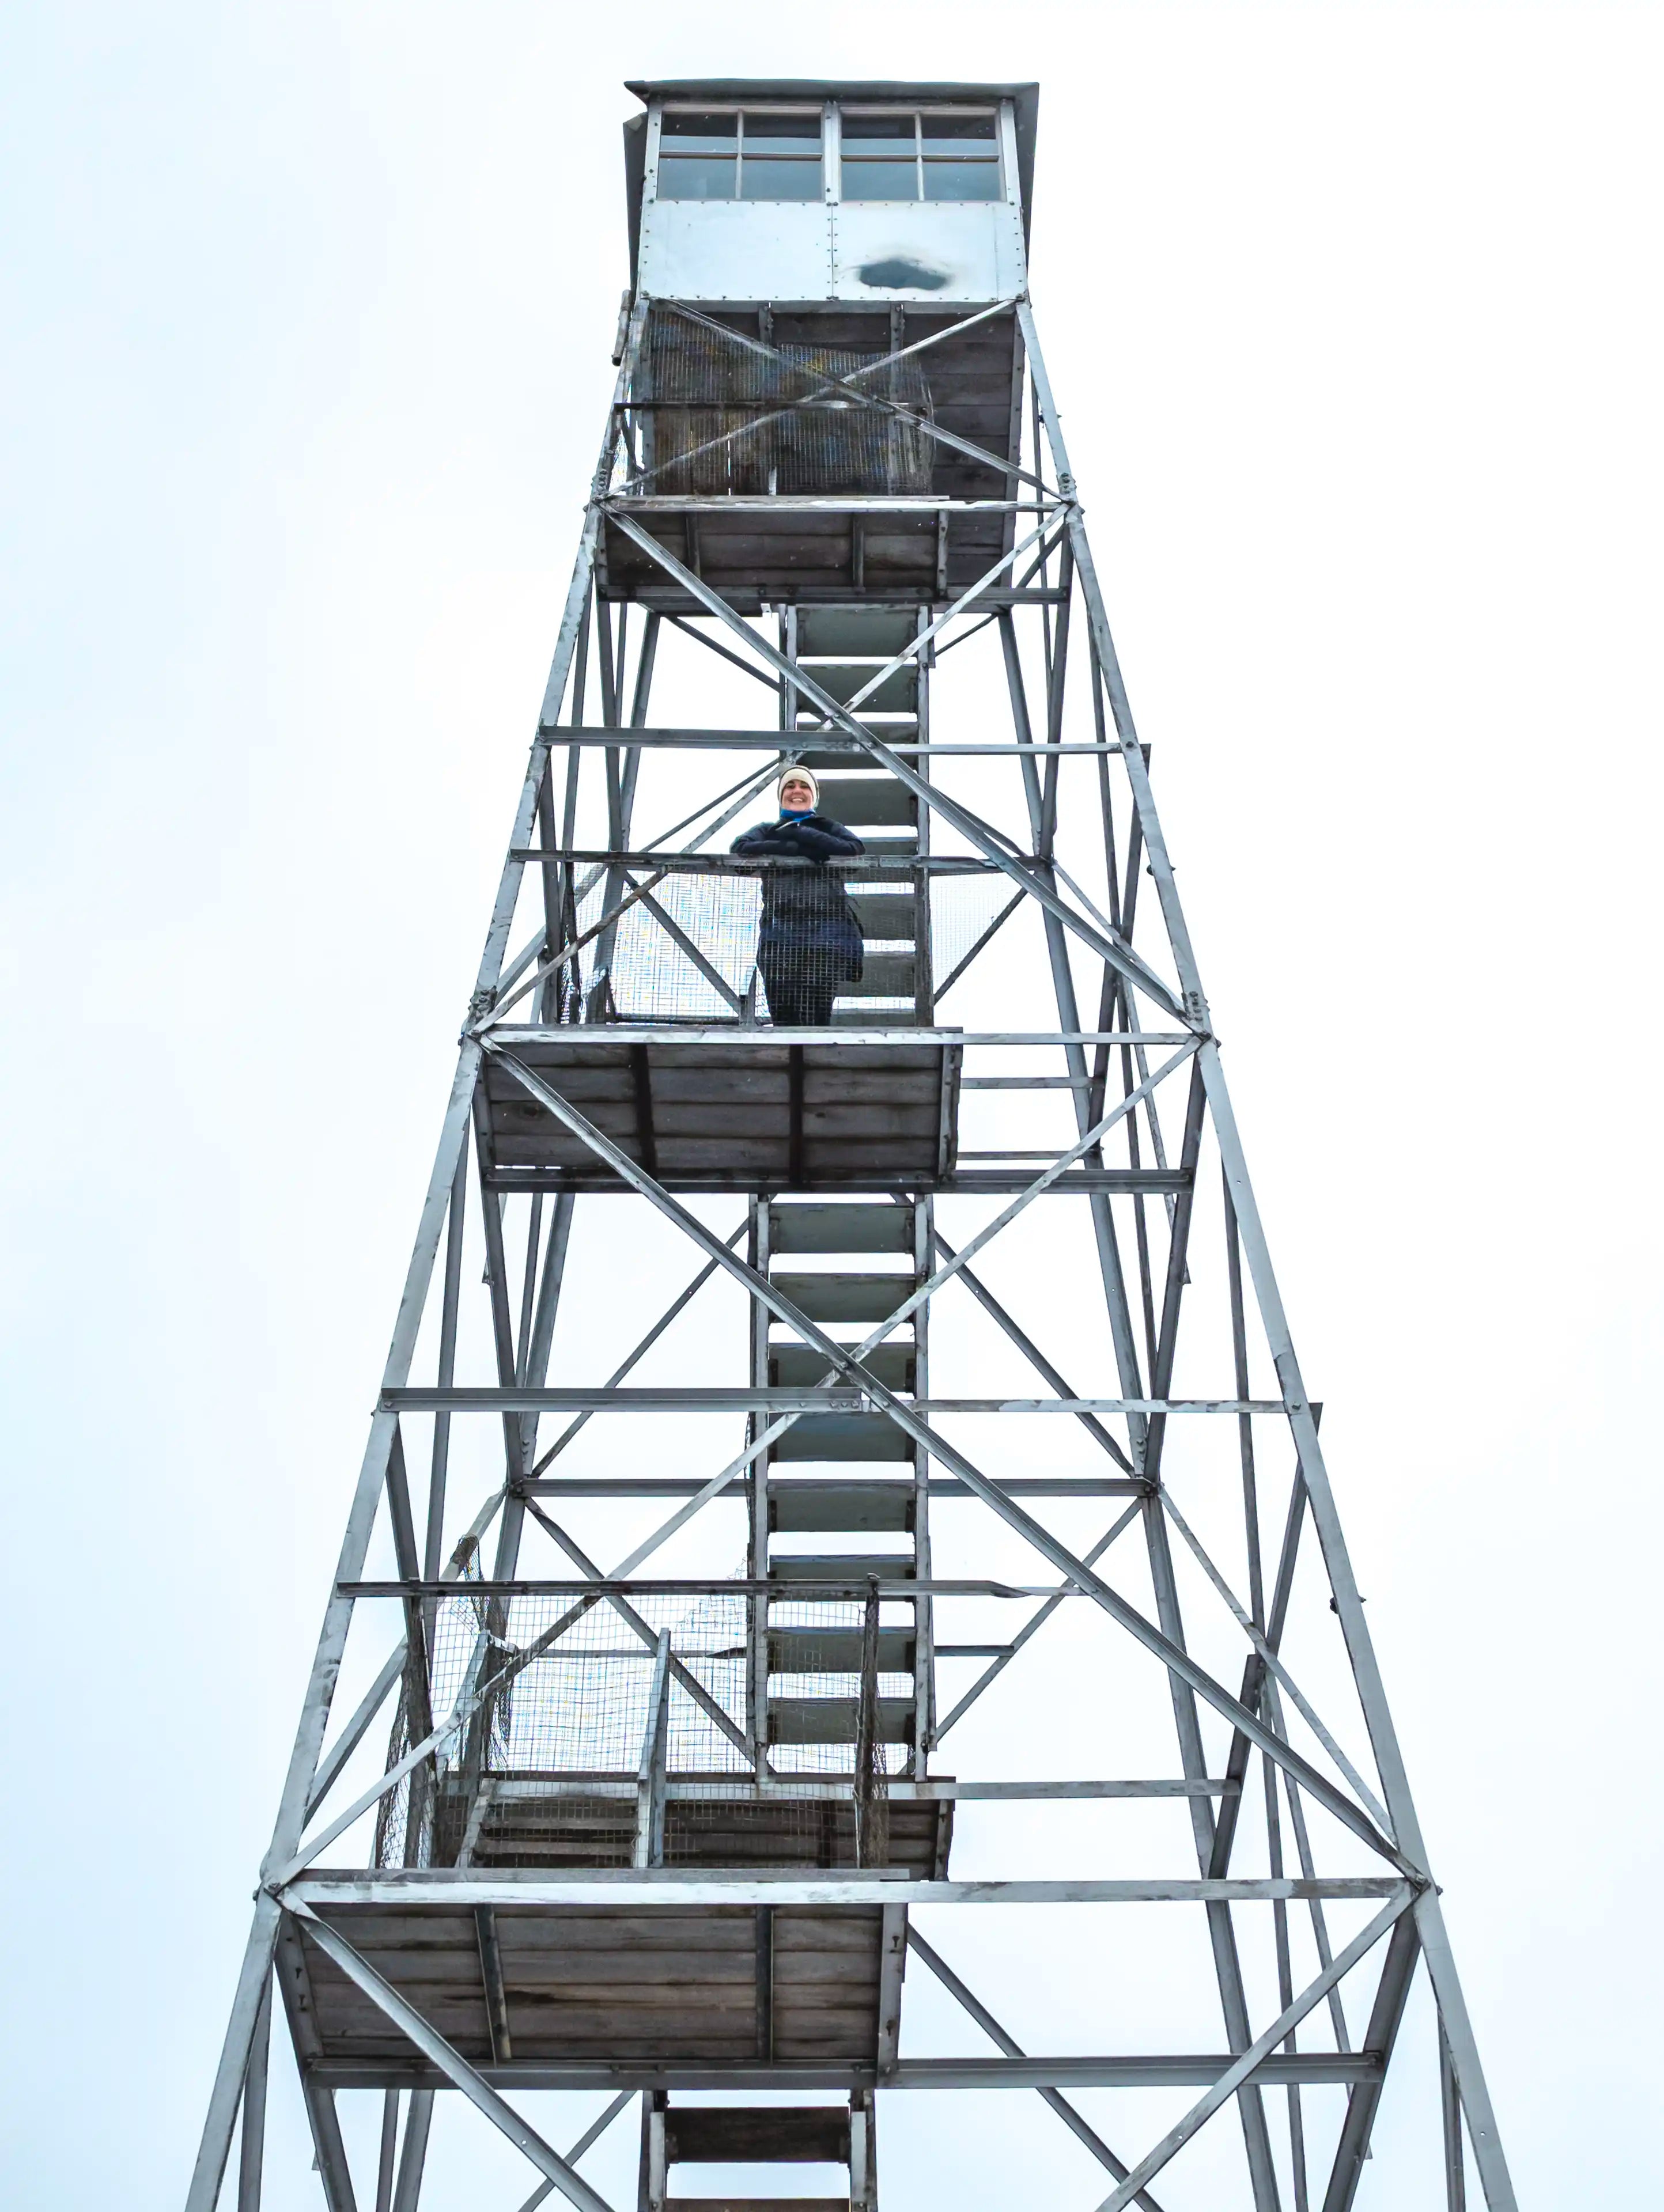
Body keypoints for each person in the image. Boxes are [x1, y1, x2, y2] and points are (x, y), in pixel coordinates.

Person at [730, 767, 866, 1026]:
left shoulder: (828, 827)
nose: (797, 791)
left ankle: (814, 1059)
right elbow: (740, 852)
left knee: (817, 1013)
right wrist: (791, 847)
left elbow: (854, 850)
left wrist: (802, 833)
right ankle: (788, 1061)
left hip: (826, 933)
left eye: (804, 787)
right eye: (790, 786)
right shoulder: (767, 830)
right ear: (782, 796)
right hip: (780, 931)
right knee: (783, 1013)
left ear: (813, 796)